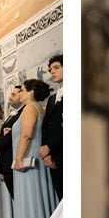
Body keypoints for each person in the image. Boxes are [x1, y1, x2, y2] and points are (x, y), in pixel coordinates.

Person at [11, 79, 58, 218]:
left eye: (22, 90)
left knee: (31, 198)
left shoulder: (30, 108)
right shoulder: (37, 108)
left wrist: (18, 158)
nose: (20, 93)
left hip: (27, 159)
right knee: (38, 197)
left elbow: (26, 135)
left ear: (31, 92)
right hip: (33, 159)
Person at [0, 84, 23, 199]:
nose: (10, 97)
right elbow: (1, 134)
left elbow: (14, 135)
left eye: (14, 94)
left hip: (14, 161)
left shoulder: (24, 112)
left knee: (19, 198)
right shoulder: (12, 115)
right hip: (6, 164)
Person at [40, 54, 63, 199]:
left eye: (56, 67)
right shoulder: (52, 99)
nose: (52, 71)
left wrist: (50, 147)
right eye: (50, 70)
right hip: (51, 156)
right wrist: (46, 152)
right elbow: (46, 126)